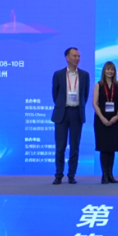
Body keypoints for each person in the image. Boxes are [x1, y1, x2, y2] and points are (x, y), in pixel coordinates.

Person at [50, 47, 90, 185]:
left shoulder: (84, 75)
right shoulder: (58, 74)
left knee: (74, 146)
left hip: (77, 113)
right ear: (67, 58)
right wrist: (63, 105)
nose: (77, 58)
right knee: (60, 147)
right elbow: (55, 95)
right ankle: (58, 175)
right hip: (62, 113)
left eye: (78, 56)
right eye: (74, 56)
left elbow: (85, 95)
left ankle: (72, 175)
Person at [92, 61, 118, 184]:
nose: (110, 72)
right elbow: (95, 103)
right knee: (103, 147)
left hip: (115, 119)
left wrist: (117, 116)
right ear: (104, 71)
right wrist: (102, 118)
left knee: (112, 147)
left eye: (112, 70)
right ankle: (104, 175)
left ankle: (110, 174)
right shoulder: (98, 85)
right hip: (101, 119)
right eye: (108, 69)